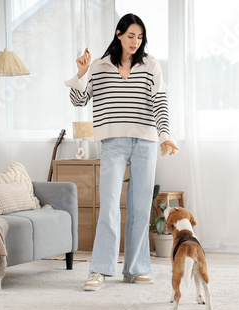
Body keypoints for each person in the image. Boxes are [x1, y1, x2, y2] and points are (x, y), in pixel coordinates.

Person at [65, 13, 178, 291]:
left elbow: (159, 102)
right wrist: (81, 72)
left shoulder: (151, 65)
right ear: (118, 34)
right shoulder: (100, 66)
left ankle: (136, 268)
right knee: (110, 206)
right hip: (112, 142)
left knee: (140, 207)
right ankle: (99, 270)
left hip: (146, 142)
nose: (135, 42)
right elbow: (79, 100)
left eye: (140, 37)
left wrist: (164, 135)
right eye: (130, 36)